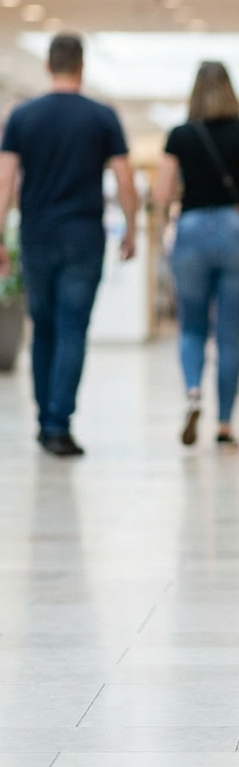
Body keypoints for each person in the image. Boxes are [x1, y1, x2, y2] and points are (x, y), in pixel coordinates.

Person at [0, 33, 137, 457]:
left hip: (36, 236)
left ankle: (46, 420)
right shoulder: (102, 116)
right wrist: (131, 228)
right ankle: (59, 423)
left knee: (43, 328)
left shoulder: (23, 117)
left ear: (48, 65)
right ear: (82, 66)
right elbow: (125, 180)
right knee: (72, 329)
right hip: (84, 238)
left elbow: (4, 180)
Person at [153, 61, 239, 447]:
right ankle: (225, 425)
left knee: (192, 327)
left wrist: (163, 228)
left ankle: (193, 393)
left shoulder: (179, 135)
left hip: (190, 230)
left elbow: (162, 193)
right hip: (235, 231)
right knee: (230, 334)